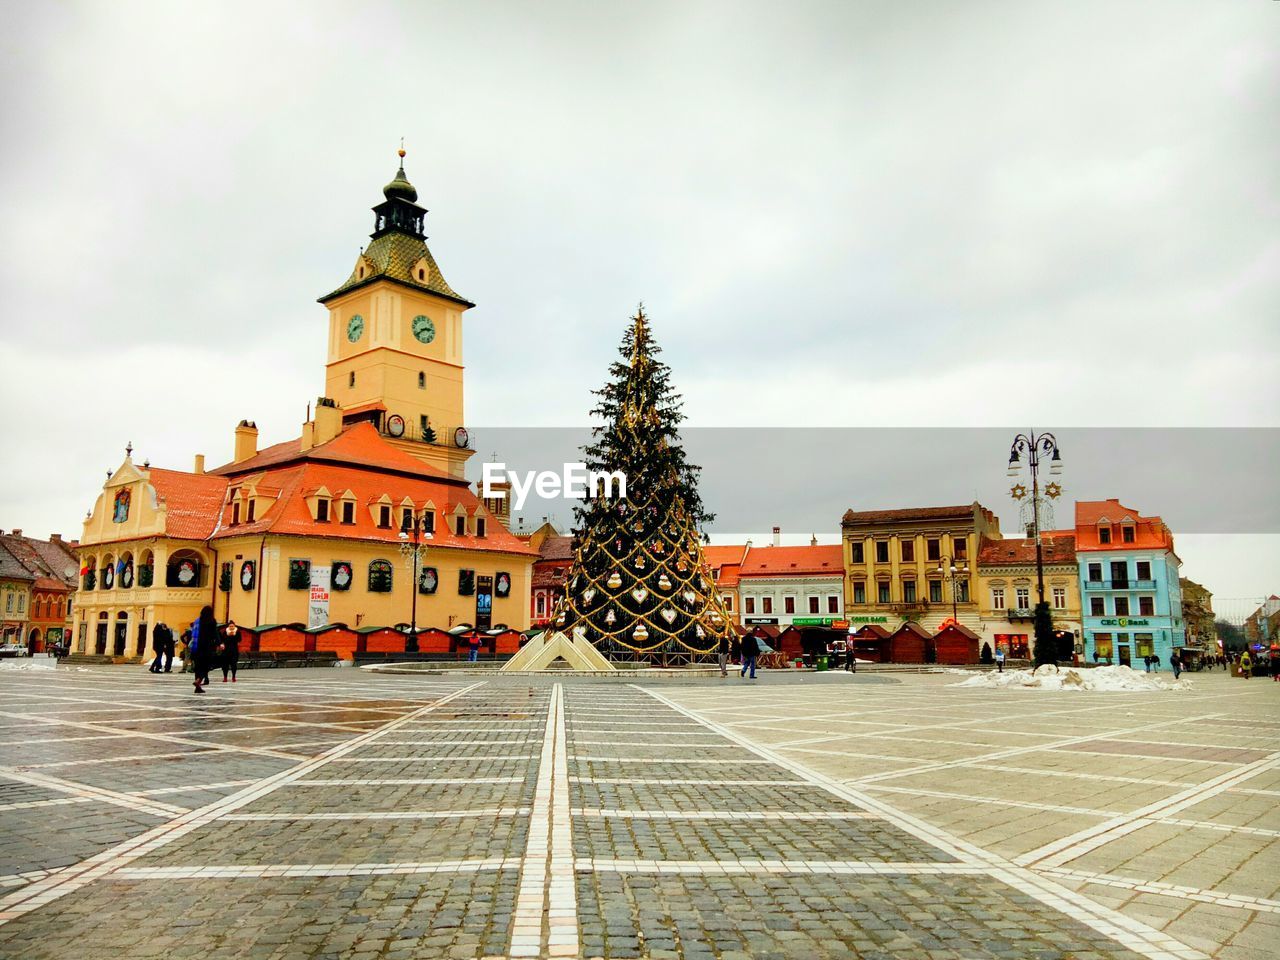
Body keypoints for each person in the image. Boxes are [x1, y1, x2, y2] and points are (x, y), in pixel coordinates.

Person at [191, 606, 218, 693]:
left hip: (196, 648)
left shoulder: (197, 621)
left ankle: (197, 688)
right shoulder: (211, 621)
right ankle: (198, 681)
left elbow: (193, 633)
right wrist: (219, 643)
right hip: (206, 647)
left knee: (198, 667)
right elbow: (215, 633)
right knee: (206, 666)